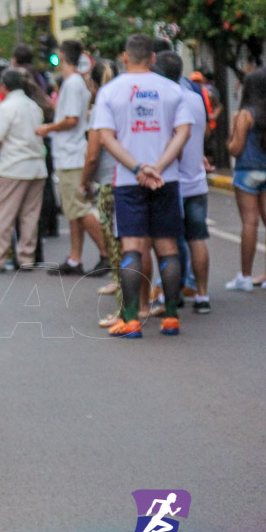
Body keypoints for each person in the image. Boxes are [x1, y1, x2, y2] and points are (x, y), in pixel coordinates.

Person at [93, 33, 193, 338]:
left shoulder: (110, 92)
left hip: (128, 181)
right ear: (152, 57)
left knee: (132, 249)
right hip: (166, 179)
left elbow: (106, 138)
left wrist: (137, 168)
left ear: (125, 57)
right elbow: (183, 132)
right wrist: (159, 166)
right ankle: (172, 317)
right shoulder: (172, 89)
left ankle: (132, 319)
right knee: (168, 248)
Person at [36, 40, 110, 277]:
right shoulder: (75, 83)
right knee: (73, 210)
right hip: (69, 154)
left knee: (79, 207)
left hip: (71, 154)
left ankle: (107, 253)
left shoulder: (72, 84)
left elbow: (71, 120)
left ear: (61, 56)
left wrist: (47, 128)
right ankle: (75, 258)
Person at [0, 68, 48, 272]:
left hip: (13, 166)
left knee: (3, 215)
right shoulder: (34, 106)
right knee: (30, 216)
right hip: (37, 166)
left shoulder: (6, 108)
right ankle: (26, 257)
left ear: (4, 86)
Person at [155, 52, 212, 313]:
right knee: (197, 239)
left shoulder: (168, 101)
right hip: (197, 182)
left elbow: (172, 144)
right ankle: (202, 296)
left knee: (171, 244)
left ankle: (173, 294)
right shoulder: (196, 99)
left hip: (174, 182)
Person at [80, 61, 127, 327]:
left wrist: (83, 182)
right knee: (133, 247)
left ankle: (125, 311)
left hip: (110, 183)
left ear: (94, 84)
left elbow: (93, 153)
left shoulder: (100, 108)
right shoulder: (124, 102)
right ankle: (139, 304)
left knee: (117, 250)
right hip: (132, 179)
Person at [224, 68, 266, 292]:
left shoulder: (245, 115)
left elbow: (236, 149)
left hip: (247, 172)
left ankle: (246, 276)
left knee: (250, 223)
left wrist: (230, 137)